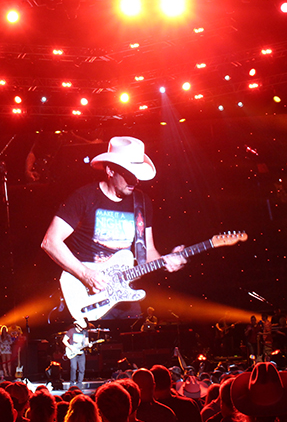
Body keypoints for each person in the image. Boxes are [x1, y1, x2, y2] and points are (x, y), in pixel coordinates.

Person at [41, 136, 187, 319]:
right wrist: (86, 274)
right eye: (128, 174)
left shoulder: (141, 202)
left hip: (125, 297)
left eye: (137, 175)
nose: (134, 181)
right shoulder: (83, 198)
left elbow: (147, 250)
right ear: (110, 170)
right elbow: (50, 242)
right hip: (87, 293)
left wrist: (166, 262)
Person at [64, 320, 90, 387]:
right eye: (81, 327)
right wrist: (71, 347)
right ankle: (72, 383)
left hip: (81, 352)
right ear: (77, 325)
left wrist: (88, 345)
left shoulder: (85, 332)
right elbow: (64, 340)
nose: (82, 329)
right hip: (73, 352)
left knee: (82, 369)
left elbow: (86, 342)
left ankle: (79, 384)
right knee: (73, 367)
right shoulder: (71, 331)